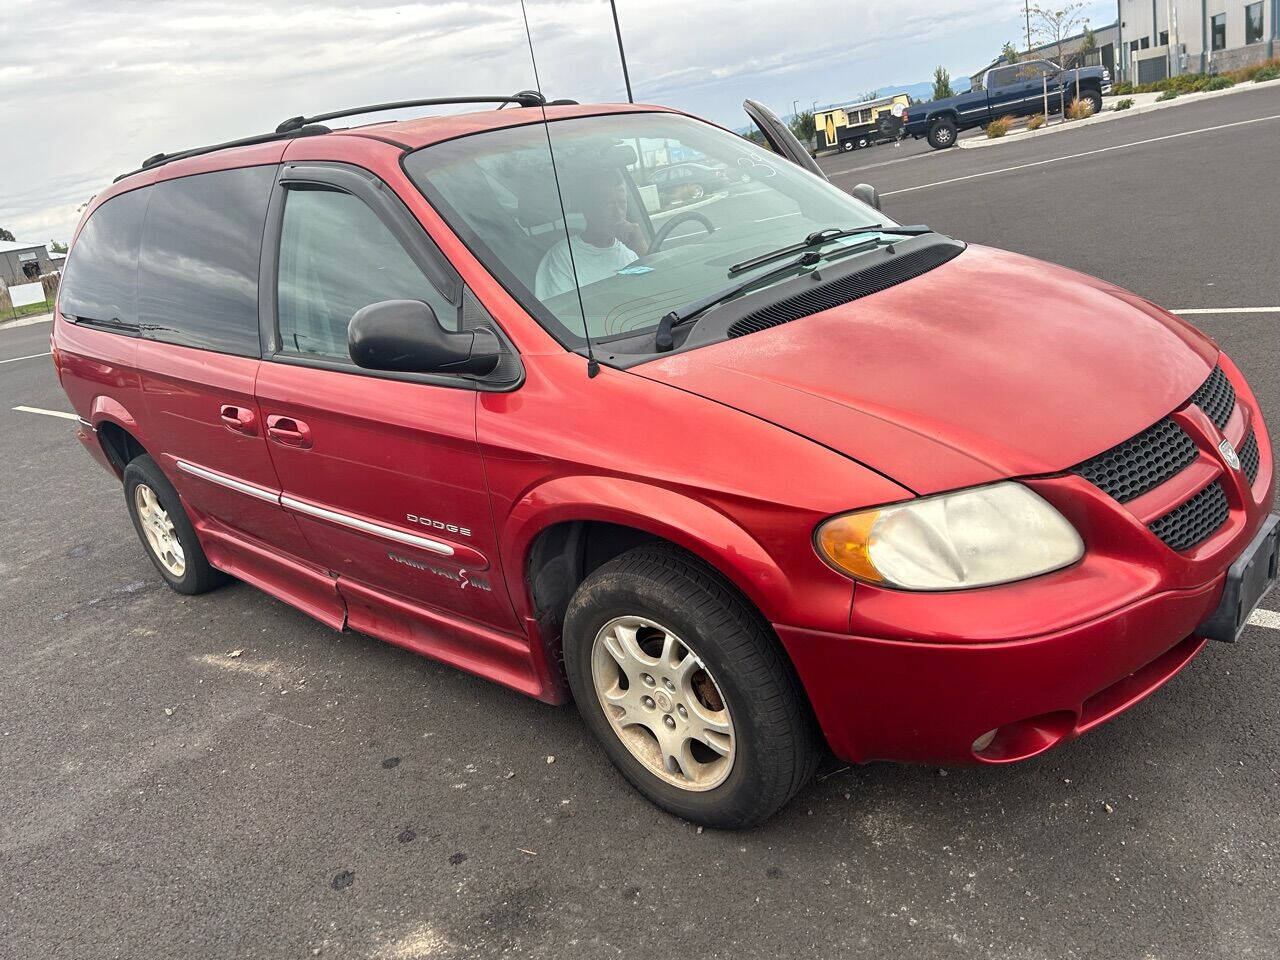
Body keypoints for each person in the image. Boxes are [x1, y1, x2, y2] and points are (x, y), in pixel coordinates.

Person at [535, 167, 646, 300]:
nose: (618, 213)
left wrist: (642, 248)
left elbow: (658, 290)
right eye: (608, 204)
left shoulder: (632, 251)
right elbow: (561, 314)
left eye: (622, 203)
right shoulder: (562, 257)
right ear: (588, 208)